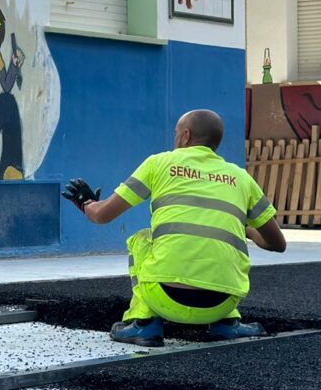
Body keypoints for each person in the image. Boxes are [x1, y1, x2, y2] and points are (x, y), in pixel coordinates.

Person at [62, 110, 287, 347]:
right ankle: (227, 325)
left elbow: (101, 215)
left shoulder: (158, 163)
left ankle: (144, 323)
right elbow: (277, 244)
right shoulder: (241, 178)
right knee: (227, 243)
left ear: (186, 136)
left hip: (165, 298)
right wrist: (245, 231)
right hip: (223, 304)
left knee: (141, 239)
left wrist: (85, 202)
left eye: (176, 133)